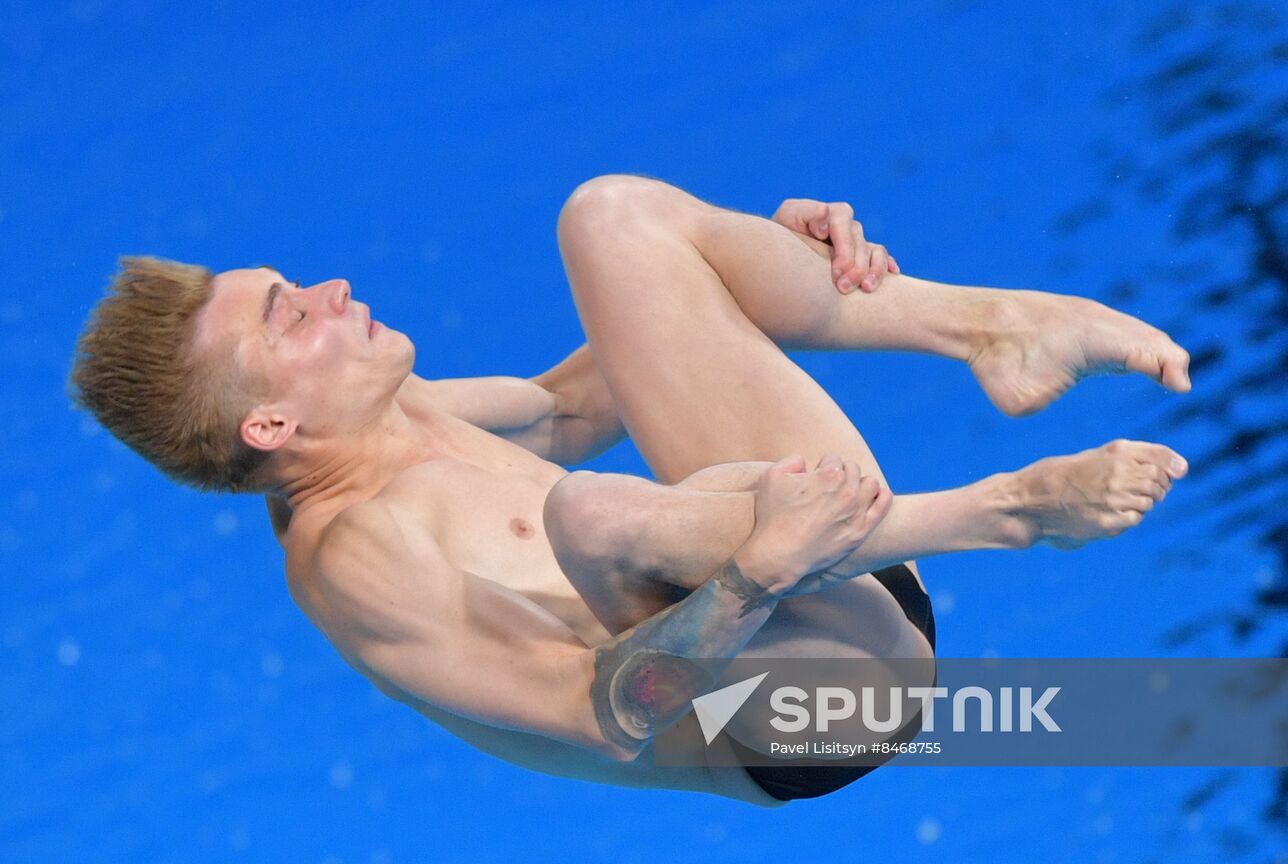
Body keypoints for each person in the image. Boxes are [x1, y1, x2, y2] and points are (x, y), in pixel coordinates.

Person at [68, 175, 1191, 806]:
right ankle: (1003, 511)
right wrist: (754, 576)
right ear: (270, 426)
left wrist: (743, 256)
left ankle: (986, 327)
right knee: (592, 511)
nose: (328, 289)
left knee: (610, 219)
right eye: (287, 316)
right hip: (806, 710)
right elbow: (608, 722)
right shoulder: (355, 566)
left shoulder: (395, 416)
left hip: (845, 569)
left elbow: (573, 406)